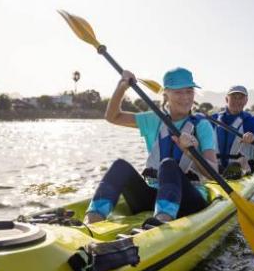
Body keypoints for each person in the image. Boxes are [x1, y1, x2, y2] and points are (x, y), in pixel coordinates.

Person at [85, 67, 218, 226]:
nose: (185, 97)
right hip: (153, 195)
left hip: (189, 199)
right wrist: (122, 87)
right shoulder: (154, 120)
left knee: (168, 164)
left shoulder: (202, 126)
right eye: (178, 92)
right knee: (120, 166)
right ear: (166, 94)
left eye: (189, 91)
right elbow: (112, 117)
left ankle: (161, 223)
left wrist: (191, 153)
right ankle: (93, 220)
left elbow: (213, 173)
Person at [211, 85, 254, 178]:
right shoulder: (213, 119)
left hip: (243, 167)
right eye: (233, 97)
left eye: (241, 98)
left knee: (238, 165)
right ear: (226, 99)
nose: (237, 101)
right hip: (216, 167)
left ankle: (239, 169)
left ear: (246, 101)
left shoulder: (252, 121)